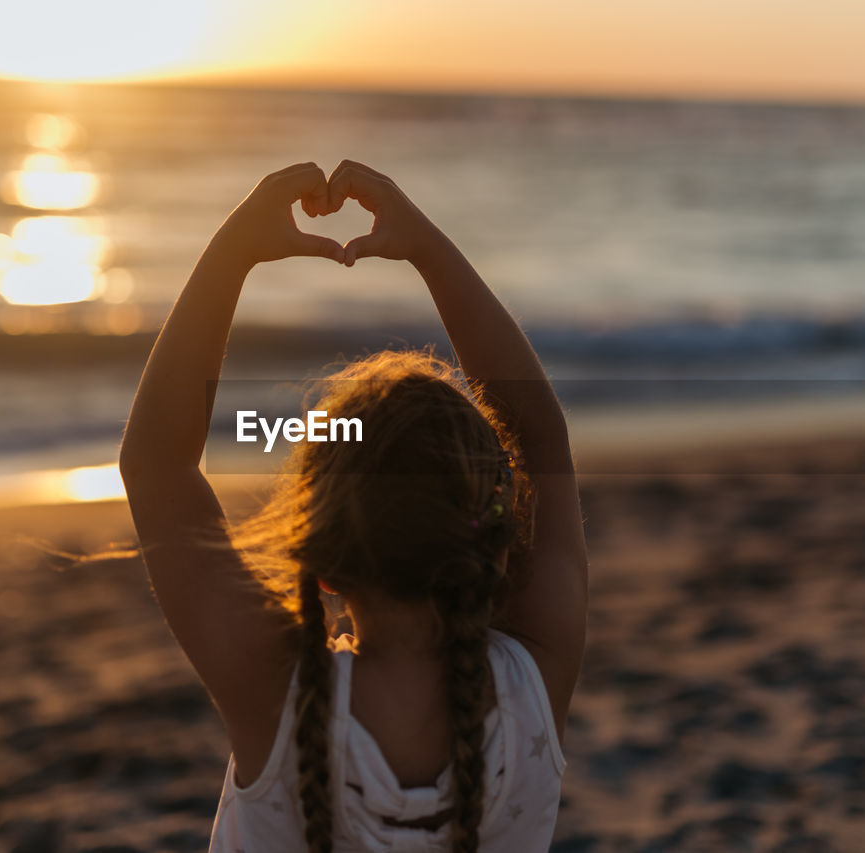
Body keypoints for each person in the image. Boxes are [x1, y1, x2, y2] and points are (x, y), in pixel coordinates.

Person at [119, 160, 587, 852]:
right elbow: (539, 432)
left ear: (326, 560)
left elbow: (156, 461)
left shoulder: (277, 695)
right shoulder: (534, 682)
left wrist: (235, 248)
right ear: (495, 538)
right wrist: (427, 248)